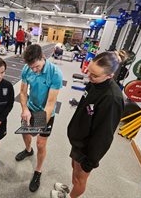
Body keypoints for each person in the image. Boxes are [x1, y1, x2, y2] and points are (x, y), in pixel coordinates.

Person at [51, 51, 125, 198]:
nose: (89, 77)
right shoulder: (93, 84)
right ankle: (69, 190)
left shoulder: (112, 99)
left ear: (110, 75)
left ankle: (71, 196)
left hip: (88, 148)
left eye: (95, 75)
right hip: (79, 140)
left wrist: (91, 161)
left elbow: (104, 136)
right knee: (74, 168)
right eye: (89, 71)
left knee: (80, 178)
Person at [15, 44, 63, 192]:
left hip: (46, 112)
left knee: (41, 144)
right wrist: (24, 109)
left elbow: (50, 104)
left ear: (43, 57)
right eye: (31, 67)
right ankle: (28, 150)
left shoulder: (55, 73)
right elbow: (23, 92)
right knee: (25, 133)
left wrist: (39, 124)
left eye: (36, 66)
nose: (34, 70)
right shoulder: (27, 69)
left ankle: (38, 171)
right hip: (30, 108)